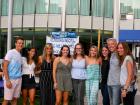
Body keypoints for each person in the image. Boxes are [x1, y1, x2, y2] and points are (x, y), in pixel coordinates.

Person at [2, 37, 24, 105]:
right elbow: (4, 66)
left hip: (18, 79)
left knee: (15, 99)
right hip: (10, 79)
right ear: (15, 44)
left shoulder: (20, 55)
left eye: (22, 43)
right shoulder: (11, 52)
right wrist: (7, 80)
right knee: (7, 100)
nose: (21, 45)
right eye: (19, 43)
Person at [107, 38, 121, 105]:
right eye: (109, 44)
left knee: (115, 103)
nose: (110, 46)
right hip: (109, 83)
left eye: (112, 44)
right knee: (112, 103)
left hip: (117, 84)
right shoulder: (111, 54)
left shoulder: (120, 54)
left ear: (116, 44)